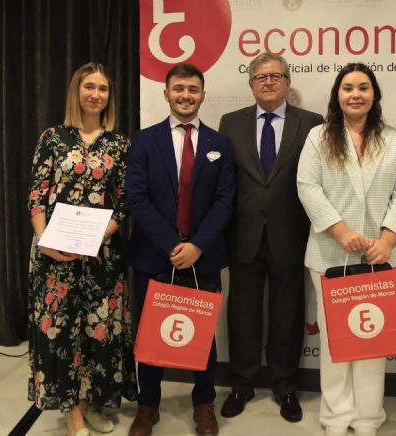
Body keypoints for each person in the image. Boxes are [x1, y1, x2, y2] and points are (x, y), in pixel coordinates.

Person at [297, 63, 396, 436]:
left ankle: (367, 416)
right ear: (337, 95)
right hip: (331, 255)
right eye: (348, 88)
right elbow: (307, 187)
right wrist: (341, 232)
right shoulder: (318, 137)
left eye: (363, 87)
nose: (356, 94)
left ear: (374, 94)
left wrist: (388, 239)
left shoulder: (393, 139)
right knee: (336, 340)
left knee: (372, 340)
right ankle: (336, 416)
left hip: (381, 257)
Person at [26, 62, 136, 436]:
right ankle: (72, 416)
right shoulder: (53, 138)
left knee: (97, 333)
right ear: (77, 90)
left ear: (109, 96)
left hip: (102, 257)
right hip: (54, 258)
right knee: (62, 335)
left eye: (103, 88)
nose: (96, 94)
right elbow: (37, 195)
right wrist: (45, 241)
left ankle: (88, 404)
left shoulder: (119, 144)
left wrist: (100, 234)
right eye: (89, 86)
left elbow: (125, 201)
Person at [125, 63, 235, 436]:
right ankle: (147, 406)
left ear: (202, 95)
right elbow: (136, 198)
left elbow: (225, 201)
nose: (185, 95)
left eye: (192, 89)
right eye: (178, 88)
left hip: (203, 256)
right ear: (166, 93)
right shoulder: (144, 140)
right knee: (149, 332)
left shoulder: (219, 144)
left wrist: (197, 245)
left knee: (203, 335)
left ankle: (204, 404)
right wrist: (174, 245)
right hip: (154, 254)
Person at [217, 52, 323, 422]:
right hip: (243, 234)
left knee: (287, 315)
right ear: (251, 84)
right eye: (260, 77)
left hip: (291, 234)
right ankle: (241, 384)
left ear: (287, 82)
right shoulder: (230, 123)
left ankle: (285, 386)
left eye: (276, 76)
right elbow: (224, 181)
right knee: (242, 314)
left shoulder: (312, 123)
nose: (268, 82)